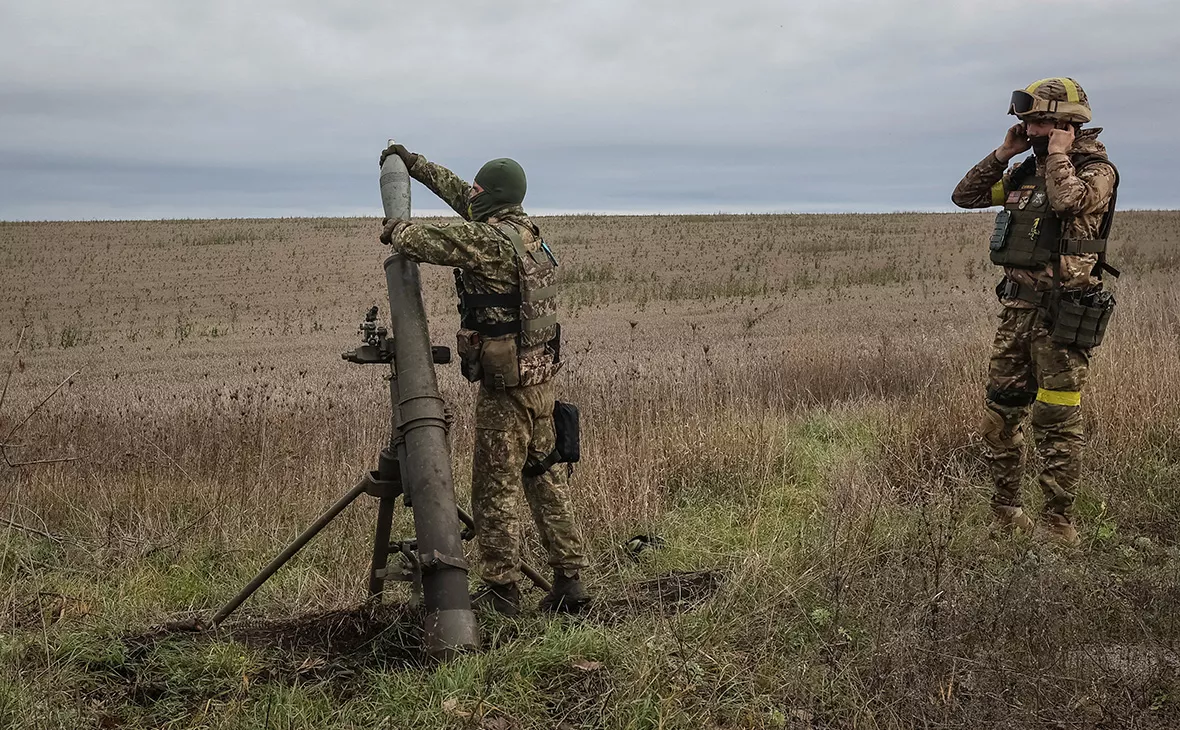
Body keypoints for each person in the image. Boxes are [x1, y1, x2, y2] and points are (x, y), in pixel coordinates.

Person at [378, 142, 591, 614]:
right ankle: (570, 581)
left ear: (493, 196)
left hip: (506, 391)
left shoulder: (489, 244)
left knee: (495, 488)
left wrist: (398, 228)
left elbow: (425, 242)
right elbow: (464, 197)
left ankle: (501, 590)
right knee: (545, 479)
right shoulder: (525, 234)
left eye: (479, 189)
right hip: (540, 385)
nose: (470, 194)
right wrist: (416, 166)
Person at [951, 77, 1119, 547]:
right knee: (1000, 414)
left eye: (1040, 121)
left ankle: (1057, 525)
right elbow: (965, 196)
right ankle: (1006, 514)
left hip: (1060, 317)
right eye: (1027, 122)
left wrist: (1061, 155)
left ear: (1067, 123)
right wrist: (1004, 154)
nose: (1030, 129)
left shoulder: (1095, 171)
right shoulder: (1026, 171)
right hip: (1016, 313)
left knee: (1055, 421)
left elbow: (1069, 202)